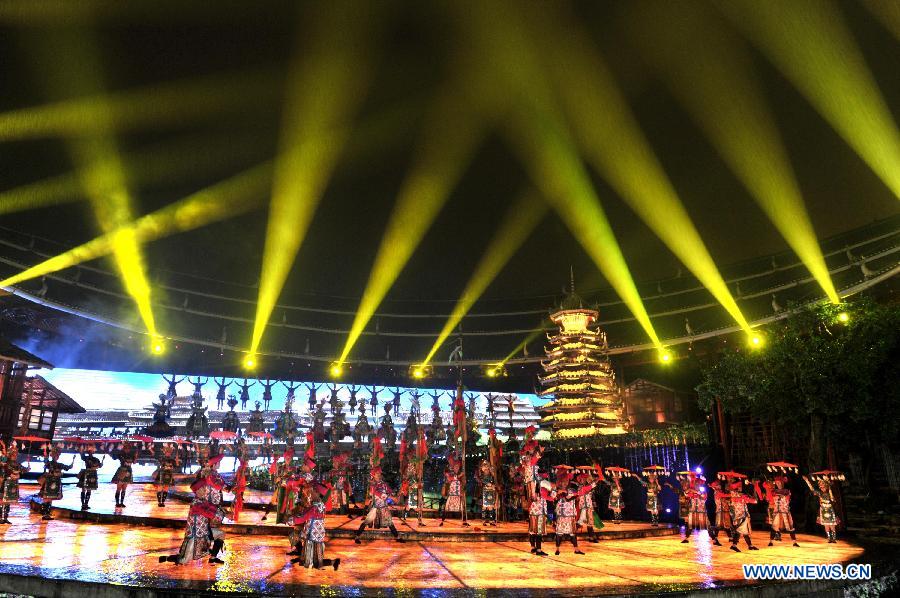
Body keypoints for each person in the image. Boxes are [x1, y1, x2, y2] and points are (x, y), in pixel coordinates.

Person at [160, 454, 231, 565]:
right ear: (197, 491)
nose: (205, 491)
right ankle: (167, 559)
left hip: (204, 534)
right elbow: (209, 511)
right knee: (184, 560)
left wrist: (224, 513)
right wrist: (225, 515)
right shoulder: (197, 503)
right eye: (202, 489)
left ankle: (212, 558)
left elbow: (211, 508)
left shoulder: (203, 500)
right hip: (195, 537)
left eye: (204, 488)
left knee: (221, 534)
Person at [290, 482, 341, 570]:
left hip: (312, 535)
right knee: (314, 559)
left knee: (316, 562)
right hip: (316, 535)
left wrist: (292, 520)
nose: (310, 493)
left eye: (312, 491)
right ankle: (333, 562)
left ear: (318, 493)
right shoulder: (320, 505)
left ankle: (333, 562)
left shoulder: (315, 507)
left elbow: (304, 516)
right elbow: (305, 513)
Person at [354, 466, 405, 543]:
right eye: (377, 473)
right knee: (367, 521)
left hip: (383, 507)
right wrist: (391, 497)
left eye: (379, 473)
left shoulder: (384, 484)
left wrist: (396, 494)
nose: (378, 474)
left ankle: (397, 537)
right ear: (373, 474)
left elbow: (390, 491)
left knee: (390, 523)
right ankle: (357, 537)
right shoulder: (372, 485)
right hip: (375, 507)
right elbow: (379, 494)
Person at [803, 474, 841, 543]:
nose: (822, 488)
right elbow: (812, 489)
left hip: (830, 510)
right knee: (826, 525)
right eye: (821, 487)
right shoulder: (820, 493)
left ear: (826, 487)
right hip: (823, 510)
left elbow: (833, 499)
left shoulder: (830, 493)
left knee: (832, 525)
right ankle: (829, 538)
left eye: (824, 487)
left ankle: (834, 538)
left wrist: (830, 489)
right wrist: (807, 481)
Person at [38, 445, 71, 520]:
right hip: (50, 481)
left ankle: (47, 513)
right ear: (53, 456)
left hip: (54, 482)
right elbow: (46, 463)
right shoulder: (50, 463)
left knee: (50, 498)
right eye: (55, 455)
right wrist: (45, 456)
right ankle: (45, 513)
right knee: (47, 497)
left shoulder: (59, 464)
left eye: (57, 456)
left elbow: (67, 468)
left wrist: (72, 462)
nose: (56, 457)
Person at [728, 482, 758, 552]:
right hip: (742, 517)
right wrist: (754, 490)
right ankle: (734, 545)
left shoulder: (733, 497)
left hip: (737, 517)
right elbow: (755, 501)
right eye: (739, 487)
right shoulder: (742, 497)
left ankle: (750, 546)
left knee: (744, 532)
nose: (741, 488)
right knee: (739, 531)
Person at [439, 451, 467, 526]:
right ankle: (443, 518)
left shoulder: (460, 472)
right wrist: (458, 476)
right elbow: (449, 478)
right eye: (456, 466)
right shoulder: (448, 470)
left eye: (458, 467)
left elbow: (462, 481)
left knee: (461, 505)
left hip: (458, 492)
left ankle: (464, 519)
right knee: (447, 504)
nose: (457, 468)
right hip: (451, 491)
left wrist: (463, 483)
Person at [528, 476, 553, 556]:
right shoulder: (543, 489)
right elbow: (550, 498)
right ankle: (538, 550)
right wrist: (554, 492)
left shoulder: (532, 489)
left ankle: (533, 547)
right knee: (538, 531)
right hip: (539, 513)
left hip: (533, 512)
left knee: (532, 531)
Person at [575, 467, 601, 542]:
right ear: (580, 480)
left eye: (584, 479)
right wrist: (596, 480)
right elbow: (588, 488)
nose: (584, 480)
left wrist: (596, 480)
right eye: (582, 479)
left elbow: (591, 487)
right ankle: (573, 536)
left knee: (590, 522)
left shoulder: (586, 486)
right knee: (580, 522)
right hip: (583, 507)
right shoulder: (581, 487)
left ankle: (591, 537)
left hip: (588, 506)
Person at [0, 442, 21, 523]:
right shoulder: (6, 462)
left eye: (16, 453)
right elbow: (5, 468)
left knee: (9, 501)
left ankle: (5, 518)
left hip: (13, 484)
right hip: (5, 483)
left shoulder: (16, 463)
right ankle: (1, 518)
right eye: (14, 453)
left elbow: (21, 469)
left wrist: (26, 469)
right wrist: (4, 447)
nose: (15, 455)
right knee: (2, 500)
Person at [111, 441, 137, 508]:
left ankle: (122, 502)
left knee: (124, 488)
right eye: (126, 448)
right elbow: (114, 457)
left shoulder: (131, 455)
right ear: (124, 448)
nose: (127, 449)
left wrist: (136, 456)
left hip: (128, 471)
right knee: (119, 488)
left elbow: (134, 462)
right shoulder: (121, 454)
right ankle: (117, 503)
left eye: (128, 448)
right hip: (122, 470)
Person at [709, 480, 732, 547]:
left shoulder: (719, 491)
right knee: (718, 525)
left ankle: (730, 537)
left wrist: (728, 498)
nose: (719, 485)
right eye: (718, 484)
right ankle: (715, 539)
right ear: (716, 486)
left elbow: (725, 498)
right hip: (720, 510)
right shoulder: (717, 492)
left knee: (727, 524)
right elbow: (723, 496)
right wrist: (731, 494)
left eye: (719, 484)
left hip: (724, 510)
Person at [153, 444, 178, 508]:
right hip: (162, 474)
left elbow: (175, 467)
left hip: (169, 474)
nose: (168, 453)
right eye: (167, 452)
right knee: (160, 488)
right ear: (165, 452)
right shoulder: (162, 458)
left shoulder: (172, 460)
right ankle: (159, 502)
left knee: (166, 488)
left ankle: (163, 502)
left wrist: (174, 464)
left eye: (169, 452)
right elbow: (159, 462)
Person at [476, 459, 499, 527]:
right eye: (485, 467)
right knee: (484, 507)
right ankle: (484, 520)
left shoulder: (491, 476)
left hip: (491, 492)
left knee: (491, 507)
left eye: (487, 468)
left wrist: (494, 485)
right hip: (485, 492)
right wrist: (489, 484)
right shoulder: (482, 476)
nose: (486, 469)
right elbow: (483, 481)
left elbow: (494, 482)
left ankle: (491, 520)